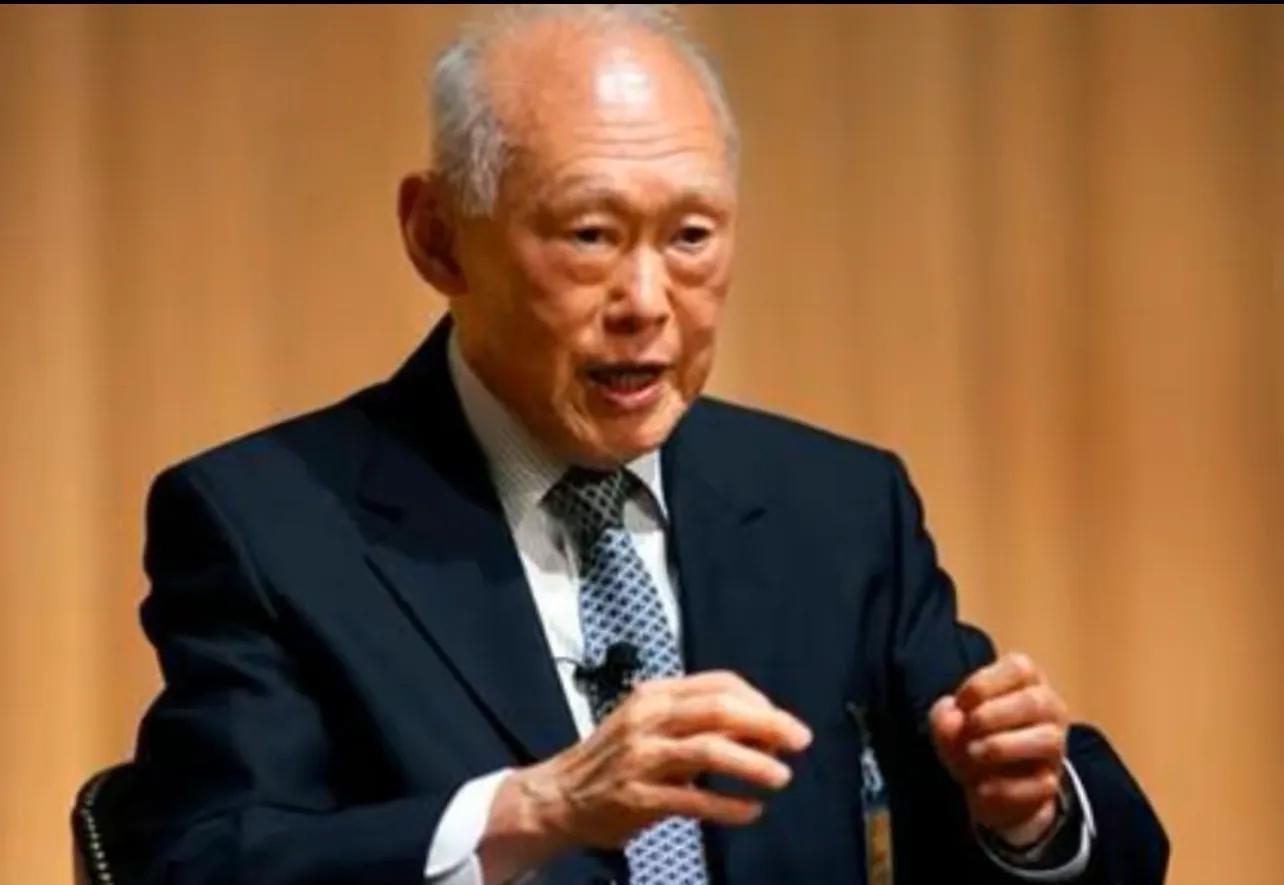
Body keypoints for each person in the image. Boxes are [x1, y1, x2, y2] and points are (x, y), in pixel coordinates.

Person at [110, 6, 1167, 884]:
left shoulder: (838, 510)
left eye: (692, 237)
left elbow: (1088, 839)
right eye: (591, 235)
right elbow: (199, 864)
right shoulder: (271, 527)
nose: (648, 303)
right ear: (438, 238)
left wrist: (1026, 816)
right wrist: (534, 808)